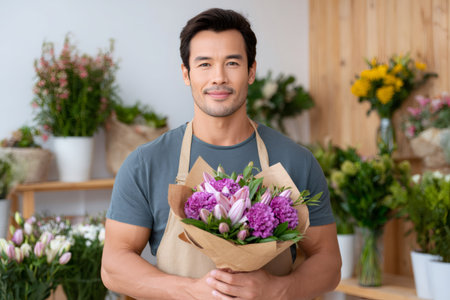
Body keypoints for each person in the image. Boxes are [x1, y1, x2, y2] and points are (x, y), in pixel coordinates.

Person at [101, 8, 341, 300]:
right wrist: (189, 291)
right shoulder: (145, 163)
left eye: (232, 63)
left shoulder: (296, 161)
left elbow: (328, 262)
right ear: (186, 74)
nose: (218, 77)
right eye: (204, 64)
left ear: (251, 71)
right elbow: (113, 267)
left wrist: (276, 290)